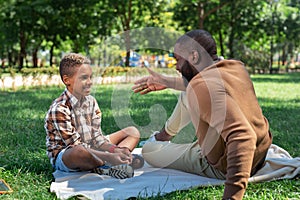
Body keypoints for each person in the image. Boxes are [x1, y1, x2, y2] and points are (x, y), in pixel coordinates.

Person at [132, 29, 272, 199]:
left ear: (194, 57)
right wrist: (166, 81)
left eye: (178, 60)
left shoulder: (201, 87)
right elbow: (206, 85)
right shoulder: (235, 67)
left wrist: (232, 196)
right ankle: (164, 136)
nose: (176, 67)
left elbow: (242, 136)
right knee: (188, 92)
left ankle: (157, 141)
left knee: (148, 150)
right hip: (260, 153)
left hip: (226, 164)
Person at [45, 53, 143, 179]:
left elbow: (96, 137)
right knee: (79, 152)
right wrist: (109, 156)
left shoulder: (91, 101)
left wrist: (114, 149)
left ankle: (117, 160)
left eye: (91, 77)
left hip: (92, 146)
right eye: (84, 78)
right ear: (67, 80)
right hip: (67, 154)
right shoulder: (59, 109)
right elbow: (75, 145)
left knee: (132, 132)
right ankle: (108, 165)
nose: (90, 82)